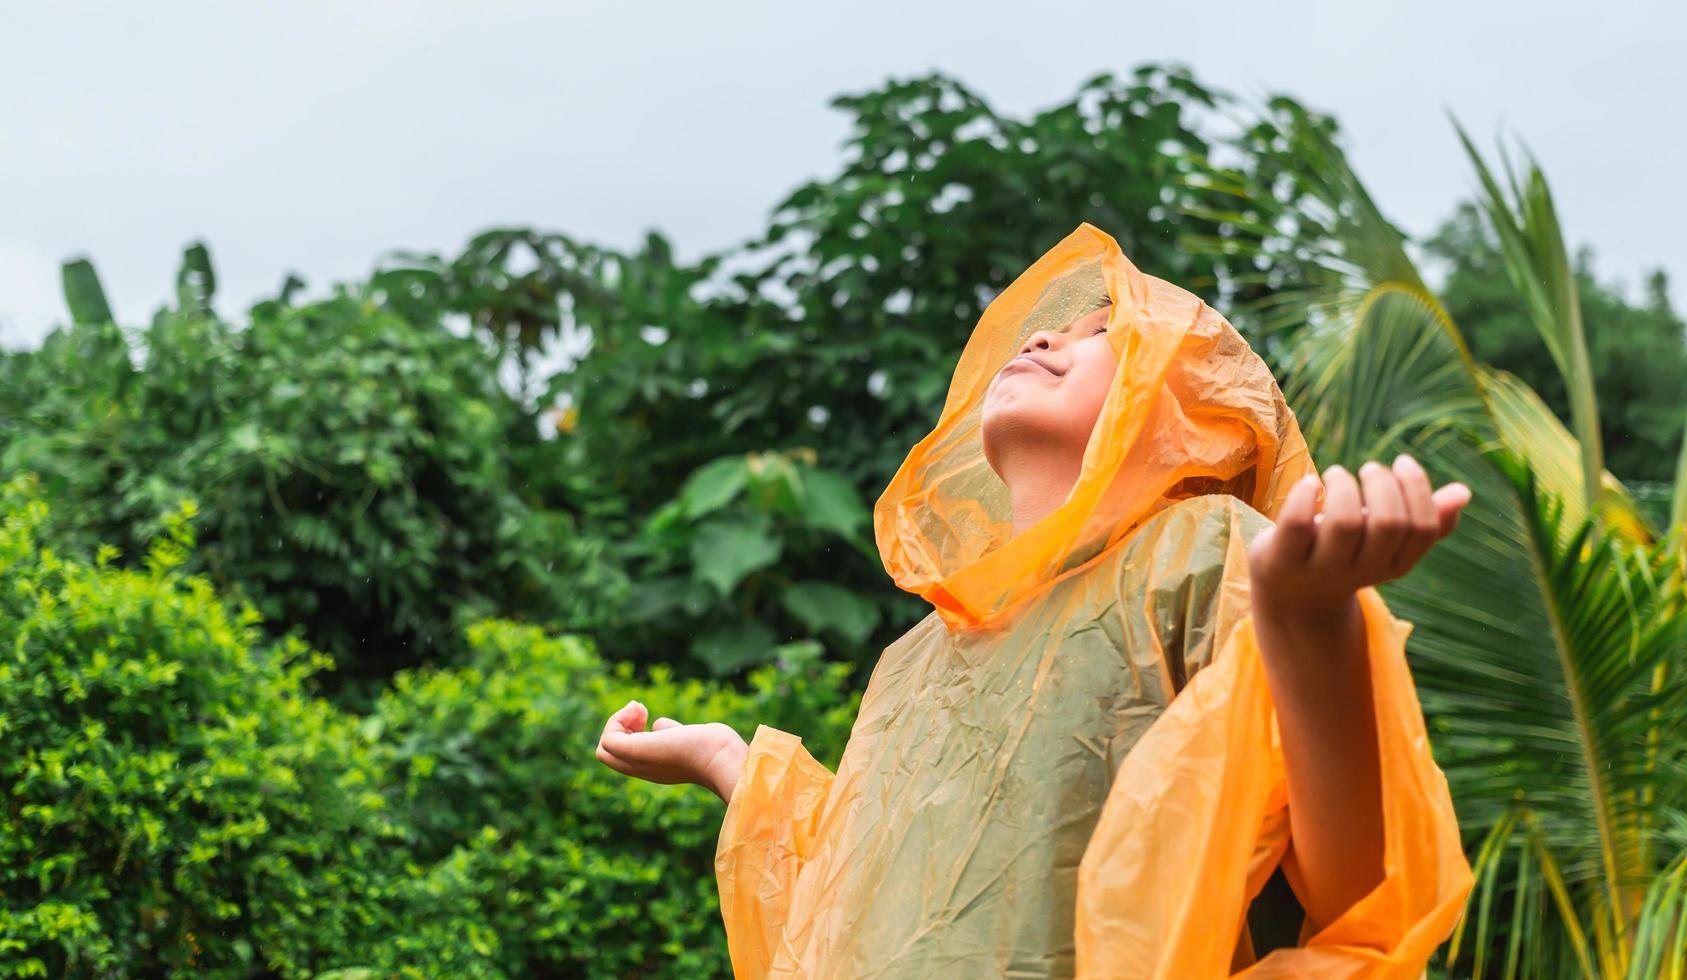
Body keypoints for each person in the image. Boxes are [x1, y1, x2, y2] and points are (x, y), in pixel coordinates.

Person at [595, 224, 1474, 977]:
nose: (1045, 339)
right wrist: (732, 767)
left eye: (1106, 334)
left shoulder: (1207, 554)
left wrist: (1310, 624)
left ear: (1189, 420)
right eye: (1048, 328)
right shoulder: (914, 659)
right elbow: (854, 923)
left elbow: (1361, 899)